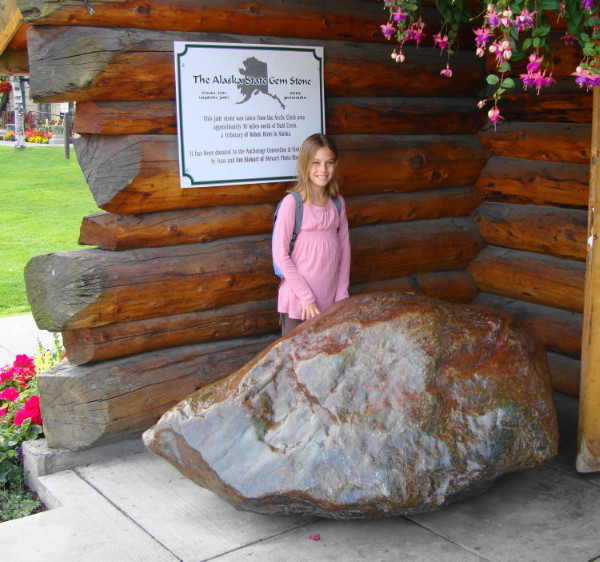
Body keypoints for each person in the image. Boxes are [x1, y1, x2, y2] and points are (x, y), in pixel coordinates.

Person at [272, 133, 351, 336]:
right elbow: (280, 255)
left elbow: (345, 251)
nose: (322, 170)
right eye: (316, 163)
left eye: (328, 163)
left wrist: (342, 294)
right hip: (300, 302)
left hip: (331, 301)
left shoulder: (337, 203)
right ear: (305, 164)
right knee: (295, 362)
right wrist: (306, 297)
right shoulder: (293, 204)